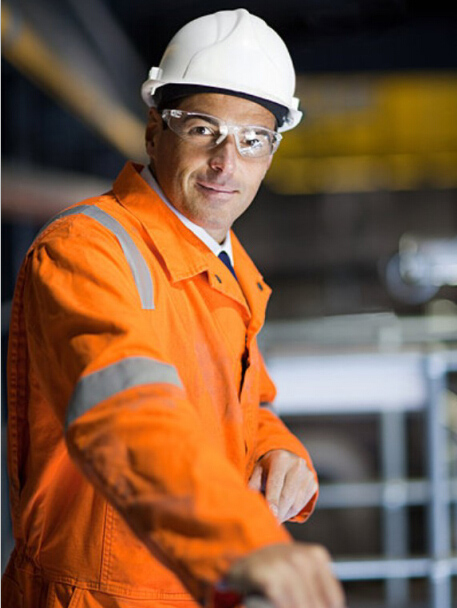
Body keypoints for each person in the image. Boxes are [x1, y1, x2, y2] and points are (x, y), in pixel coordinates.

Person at [3, 8, 345, 608]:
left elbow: (242, 404)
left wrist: (276, 450)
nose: (226, 162)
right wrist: (239, 541)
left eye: (252, 139)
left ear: (272, 151)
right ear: (154, 130)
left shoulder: (228, 266)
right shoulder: (85, 250)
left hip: (199, 584)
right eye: (203, 129)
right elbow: (125, 415)